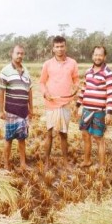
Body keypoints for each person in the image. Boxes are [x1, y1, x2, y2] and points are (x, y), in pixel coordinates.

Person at [39, 36, 79, 170]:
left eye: (62, 46)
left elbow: (76, 79)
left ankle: (66, 162)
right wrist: (46, 93)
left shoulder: (72, 63)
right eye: (57, 46)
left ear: (65, 47)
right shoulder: (47, 64)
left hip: (65, 103)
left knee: (63, 134)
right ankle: (46, 161)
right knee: (49, 134)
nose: (59, 49)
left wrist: (76, 87)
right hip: (51, 104)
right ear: (53, 48)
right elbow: (42, 82)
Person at [76, 46, 112, 168]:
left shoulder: (108, 73)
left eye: (100, 55)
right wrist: (78, 104)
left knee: (98, 137)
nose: (98, 57)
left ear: (104, 57)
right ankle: (87, 160)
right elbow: (84, 89)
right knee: (85, 135)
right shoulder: (88, 72)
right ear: (92, 56)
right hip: (86, 110)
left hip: (99, 111)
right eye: (95, 55)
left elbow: (110, 94)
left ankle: (102, 164)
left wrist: (109, 112)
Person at [0, 45, 33, 171]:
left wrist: (31, 109)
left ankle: (23, 164)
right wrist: (1, 111)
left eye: (22, 53)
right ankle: (6, 165)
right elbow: (1, 92)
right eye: (17, 53)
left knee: (22, 139)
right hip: (11, 112)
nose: (19, 56)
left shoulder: (26, 71)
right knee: (8, 139)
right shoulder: (5, 71)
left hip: (23, 112)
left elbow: (29, 91)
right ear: (11, 54)